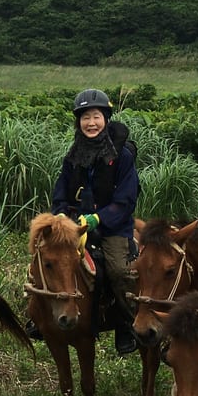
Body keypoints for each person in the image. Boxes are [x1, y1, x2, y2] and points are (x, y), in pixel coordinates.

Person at [52, 88, 141, 356]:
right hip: (75, 225)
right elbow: (61, 192)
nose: (91, 123)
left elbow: (126, 201)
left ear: (106, 119)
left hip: (112, 226)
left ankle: (127, 324)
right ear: (78, 122)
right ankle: (41, 317)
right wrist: (60, 216)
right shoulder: (73, 155)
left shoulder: (122, 156)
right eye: (85, 118)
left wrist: (97, 219)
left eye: (96, 117)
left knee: (118, 271)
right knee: (49, 261)